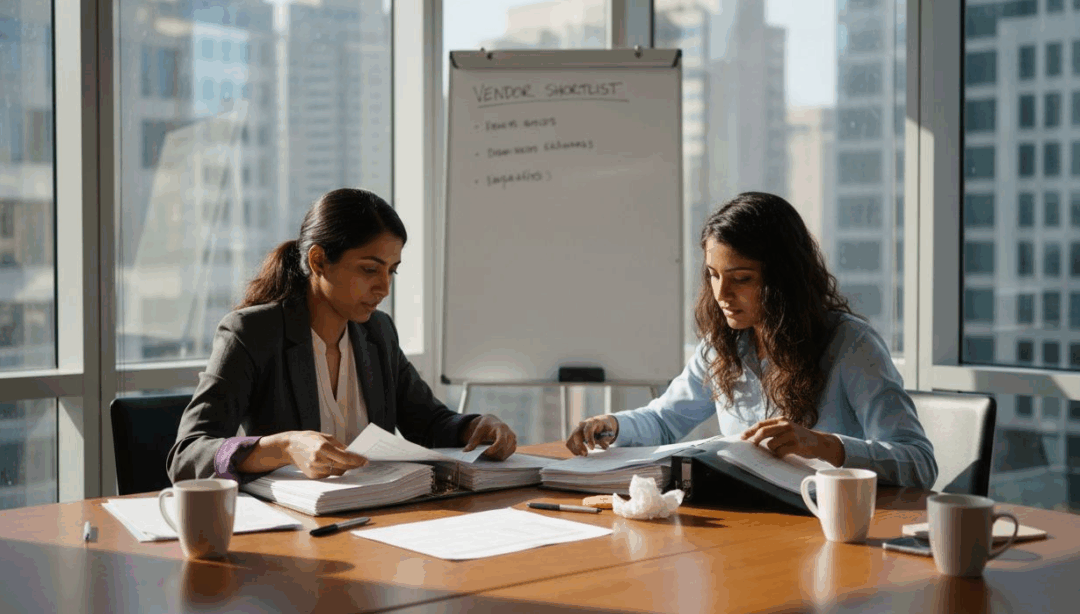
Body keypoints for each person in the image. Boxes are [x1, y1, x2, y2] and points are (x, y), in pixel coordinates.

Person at [566, 192, 937, 489]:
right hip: (751, 524)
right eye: (713, 275)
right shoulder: (722, 345)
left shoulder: (852, 345)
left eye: (741, 278)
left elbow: (919, 461)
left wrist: (823, 445)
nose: (721, 293)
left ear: (783, 280)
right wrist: (613, 424)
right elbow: (665, 420)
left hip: (830, 529)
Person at [168, 188, 517, 483]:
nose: (384, 287)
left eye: (391, 271)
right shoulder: (252, 333)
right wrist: (283, 447)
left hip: (373, 518)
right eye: (369, 269)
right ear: (319, 261)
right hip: (293, 532)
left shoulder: (379, 332)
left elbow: (428, 421)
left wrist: (475, 426)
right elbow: (187, 454)